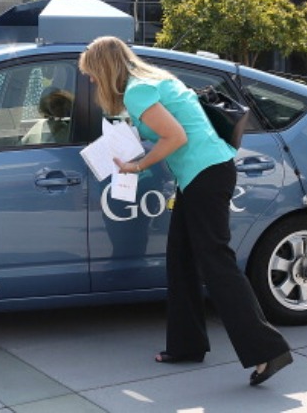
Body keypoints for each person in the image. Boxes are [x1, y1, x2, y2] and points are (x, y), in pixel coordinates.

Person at [79, 35, 292, 387]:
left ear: (105, 68)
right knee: (181, 259)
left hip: (205, 175)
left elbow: (175, 137)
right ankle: (186, 345)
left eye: (91, 74)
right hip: (201, 174)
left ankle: (268, 350)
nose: (90, 81)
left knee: (216, 263)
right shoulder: (153, 80)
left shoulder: (137, 90)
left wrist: (138, 166)